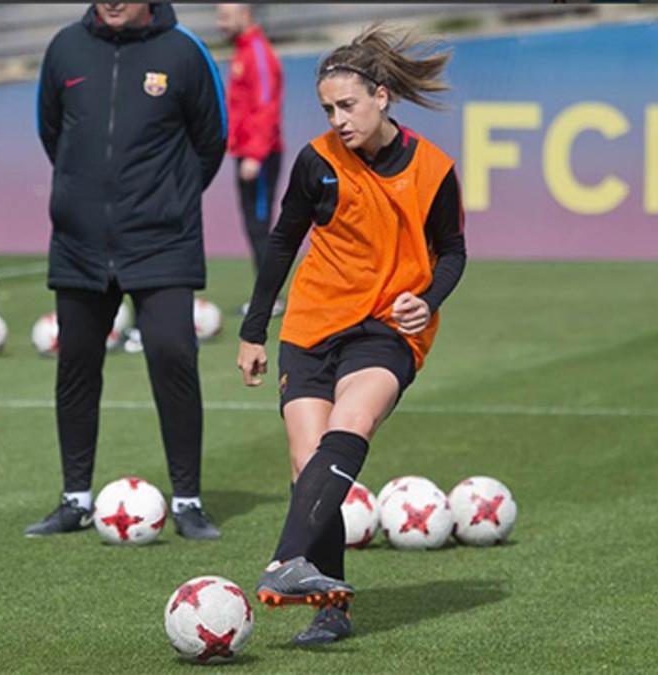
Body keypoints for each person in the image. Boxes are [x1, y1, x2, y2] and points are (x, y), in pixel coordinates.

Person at [236, 25, 467, 645]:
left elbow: (452, 252)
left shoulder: (434, 169)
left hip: (386, 328)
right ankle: (330, 606)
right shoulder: (317, 162)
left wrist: (429, 300)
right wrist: (254, 330)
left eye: (348, 105)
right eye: (328, 109)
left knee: (352, 425)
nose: (338, 120)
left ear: (383, 96)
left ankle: (284, 562)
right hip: (312, 325)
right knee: (308, 464)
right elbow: (283, 241)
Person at [29, 2, 227, 540]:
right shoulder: (64, 48)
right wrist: (82, 197)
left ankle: (187, 501)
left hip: (162, 242)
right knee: (76, 368)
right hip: (78, 243)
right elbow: (54, 134)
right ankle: (74, 498)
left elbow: (212, 141)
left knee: (172, 357)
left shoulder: (185, 52)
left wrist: (166, 200)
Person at [215, 3, 285, 317]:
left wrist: (255, 154)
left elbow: (266, 106)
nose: (221, 24)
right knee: (254, 227)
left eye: (226, 17)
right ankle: (265, 297)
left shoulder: (257, 52)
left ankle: (271, 300)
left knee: (260, 226)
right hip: (246, 153)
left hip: (261, 156)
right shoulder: (243, 52)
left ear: (245, 15)